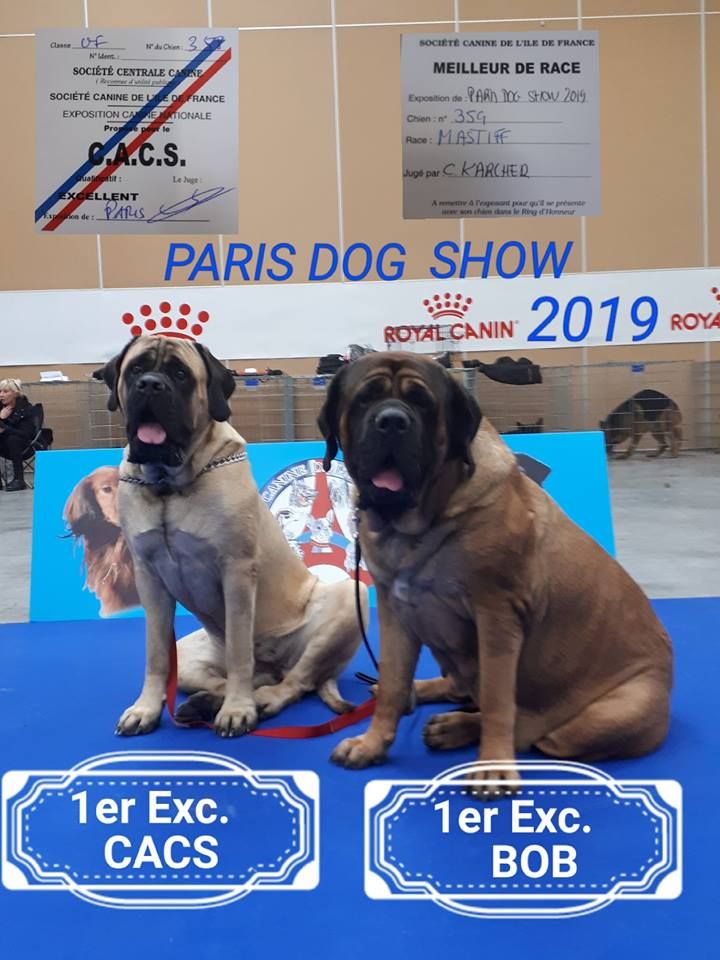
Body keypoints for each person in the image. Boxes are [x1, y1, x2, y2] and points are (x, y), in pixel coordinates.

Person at [0, 378, 36, 490]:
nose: (1, 395)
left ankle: (19, 479)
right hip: (4, 446)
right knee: (10, 439)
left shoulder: (26, 409)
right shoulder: (1, 408)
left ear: (16, 394)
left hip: (25, 446)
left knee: (13, 439)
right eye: (0, 391)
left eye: (5, 392)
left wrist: (4, 426)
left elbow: (26, 434)